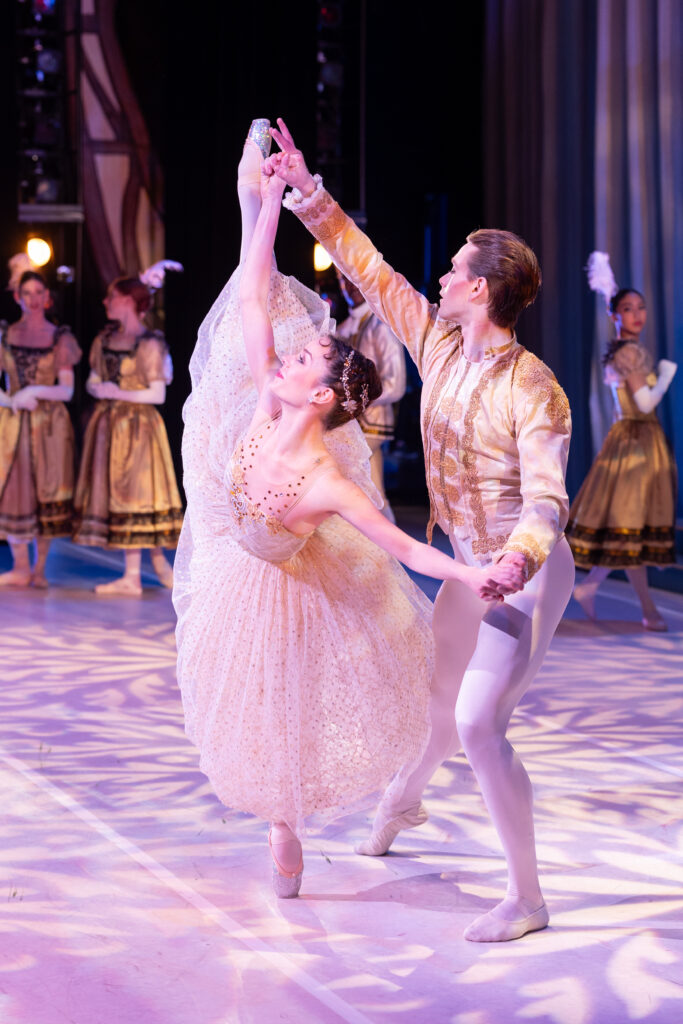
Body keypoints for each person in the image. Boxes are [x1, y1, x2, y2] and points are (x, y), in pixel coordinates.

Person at [173, 121, 513, 901]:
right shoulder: (261, 400)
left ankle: (287, 821)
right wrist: (266, 205)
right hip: (238, 570)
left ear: (320, 396)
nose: (288, 354)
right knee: (242, 705)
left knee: (288, 705)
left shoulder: (329, 481)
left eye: (302, 360)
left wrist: (474, 571)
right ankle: (278, 820)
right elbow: (253, 291)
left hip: (295, 590)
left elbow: (401, 546)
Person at [266, 118, 574, 940]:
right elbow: (371, 271)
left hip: (524, 568)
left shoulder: (535, 388)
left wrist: (516, 560)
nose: (439, 278)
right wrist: (307, 189)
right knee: (435, 705)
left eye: (454, 271)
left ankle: (527, 900)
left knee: (477, 723)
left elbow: (547, 499)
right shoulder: (438, 346)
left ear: (480, 289)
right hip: (464, 559)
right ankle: (405, 799)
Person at [567, 266, 677, 630]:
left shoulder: (626, 349)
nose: (638, 314)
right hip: (634, 445)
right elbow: (644, 403)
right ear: (614, 314)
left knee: (626, 528)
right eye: (628, 308)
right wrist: (665, 375)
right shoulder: (629, 353)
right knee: (628, 527)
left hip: (637, 440)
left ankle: (592, 586)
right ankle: (649, 609)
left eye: (641, 307)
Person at [72, 274, 183, 594]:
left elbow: (157, 394)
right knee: (121, 493)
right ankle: (145, 570)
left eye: (113, 297)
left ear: (129, 302)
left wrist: (116, 391)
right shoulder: (104, 339)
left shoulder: (149, 343)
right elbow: (93, 379)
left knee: (136, 493)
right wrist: (100, 388)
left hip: (138, 427)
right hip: (109, 426)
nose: (106, 302)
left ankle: (138, 574)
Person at [0, 269, 81, 587]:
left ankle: (40, 567)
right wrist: (12, 401)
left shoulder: (60, 337)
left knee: (47, 488)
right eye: (27, 293)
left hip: (49, 425)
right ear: (18, 297)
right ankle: (20, 566)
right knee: (16, 488)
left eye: (39, 293)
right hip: (15, 421)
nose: (34, 300)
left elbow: (67, 390)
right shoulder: (6, 335)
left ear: (47, 297)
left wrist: (34, 391)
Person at [335, 268, 406, 521]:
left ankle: (387, 550)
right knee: (368, 490)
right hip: (349, 424)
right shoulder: (341, 328)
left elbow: (396, 384)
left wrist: (357, 398)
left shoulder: (380, 326)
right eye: (343, 279)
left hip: (371, 424)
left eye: (354, 278)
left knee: (366, 488)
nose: (349, 286)